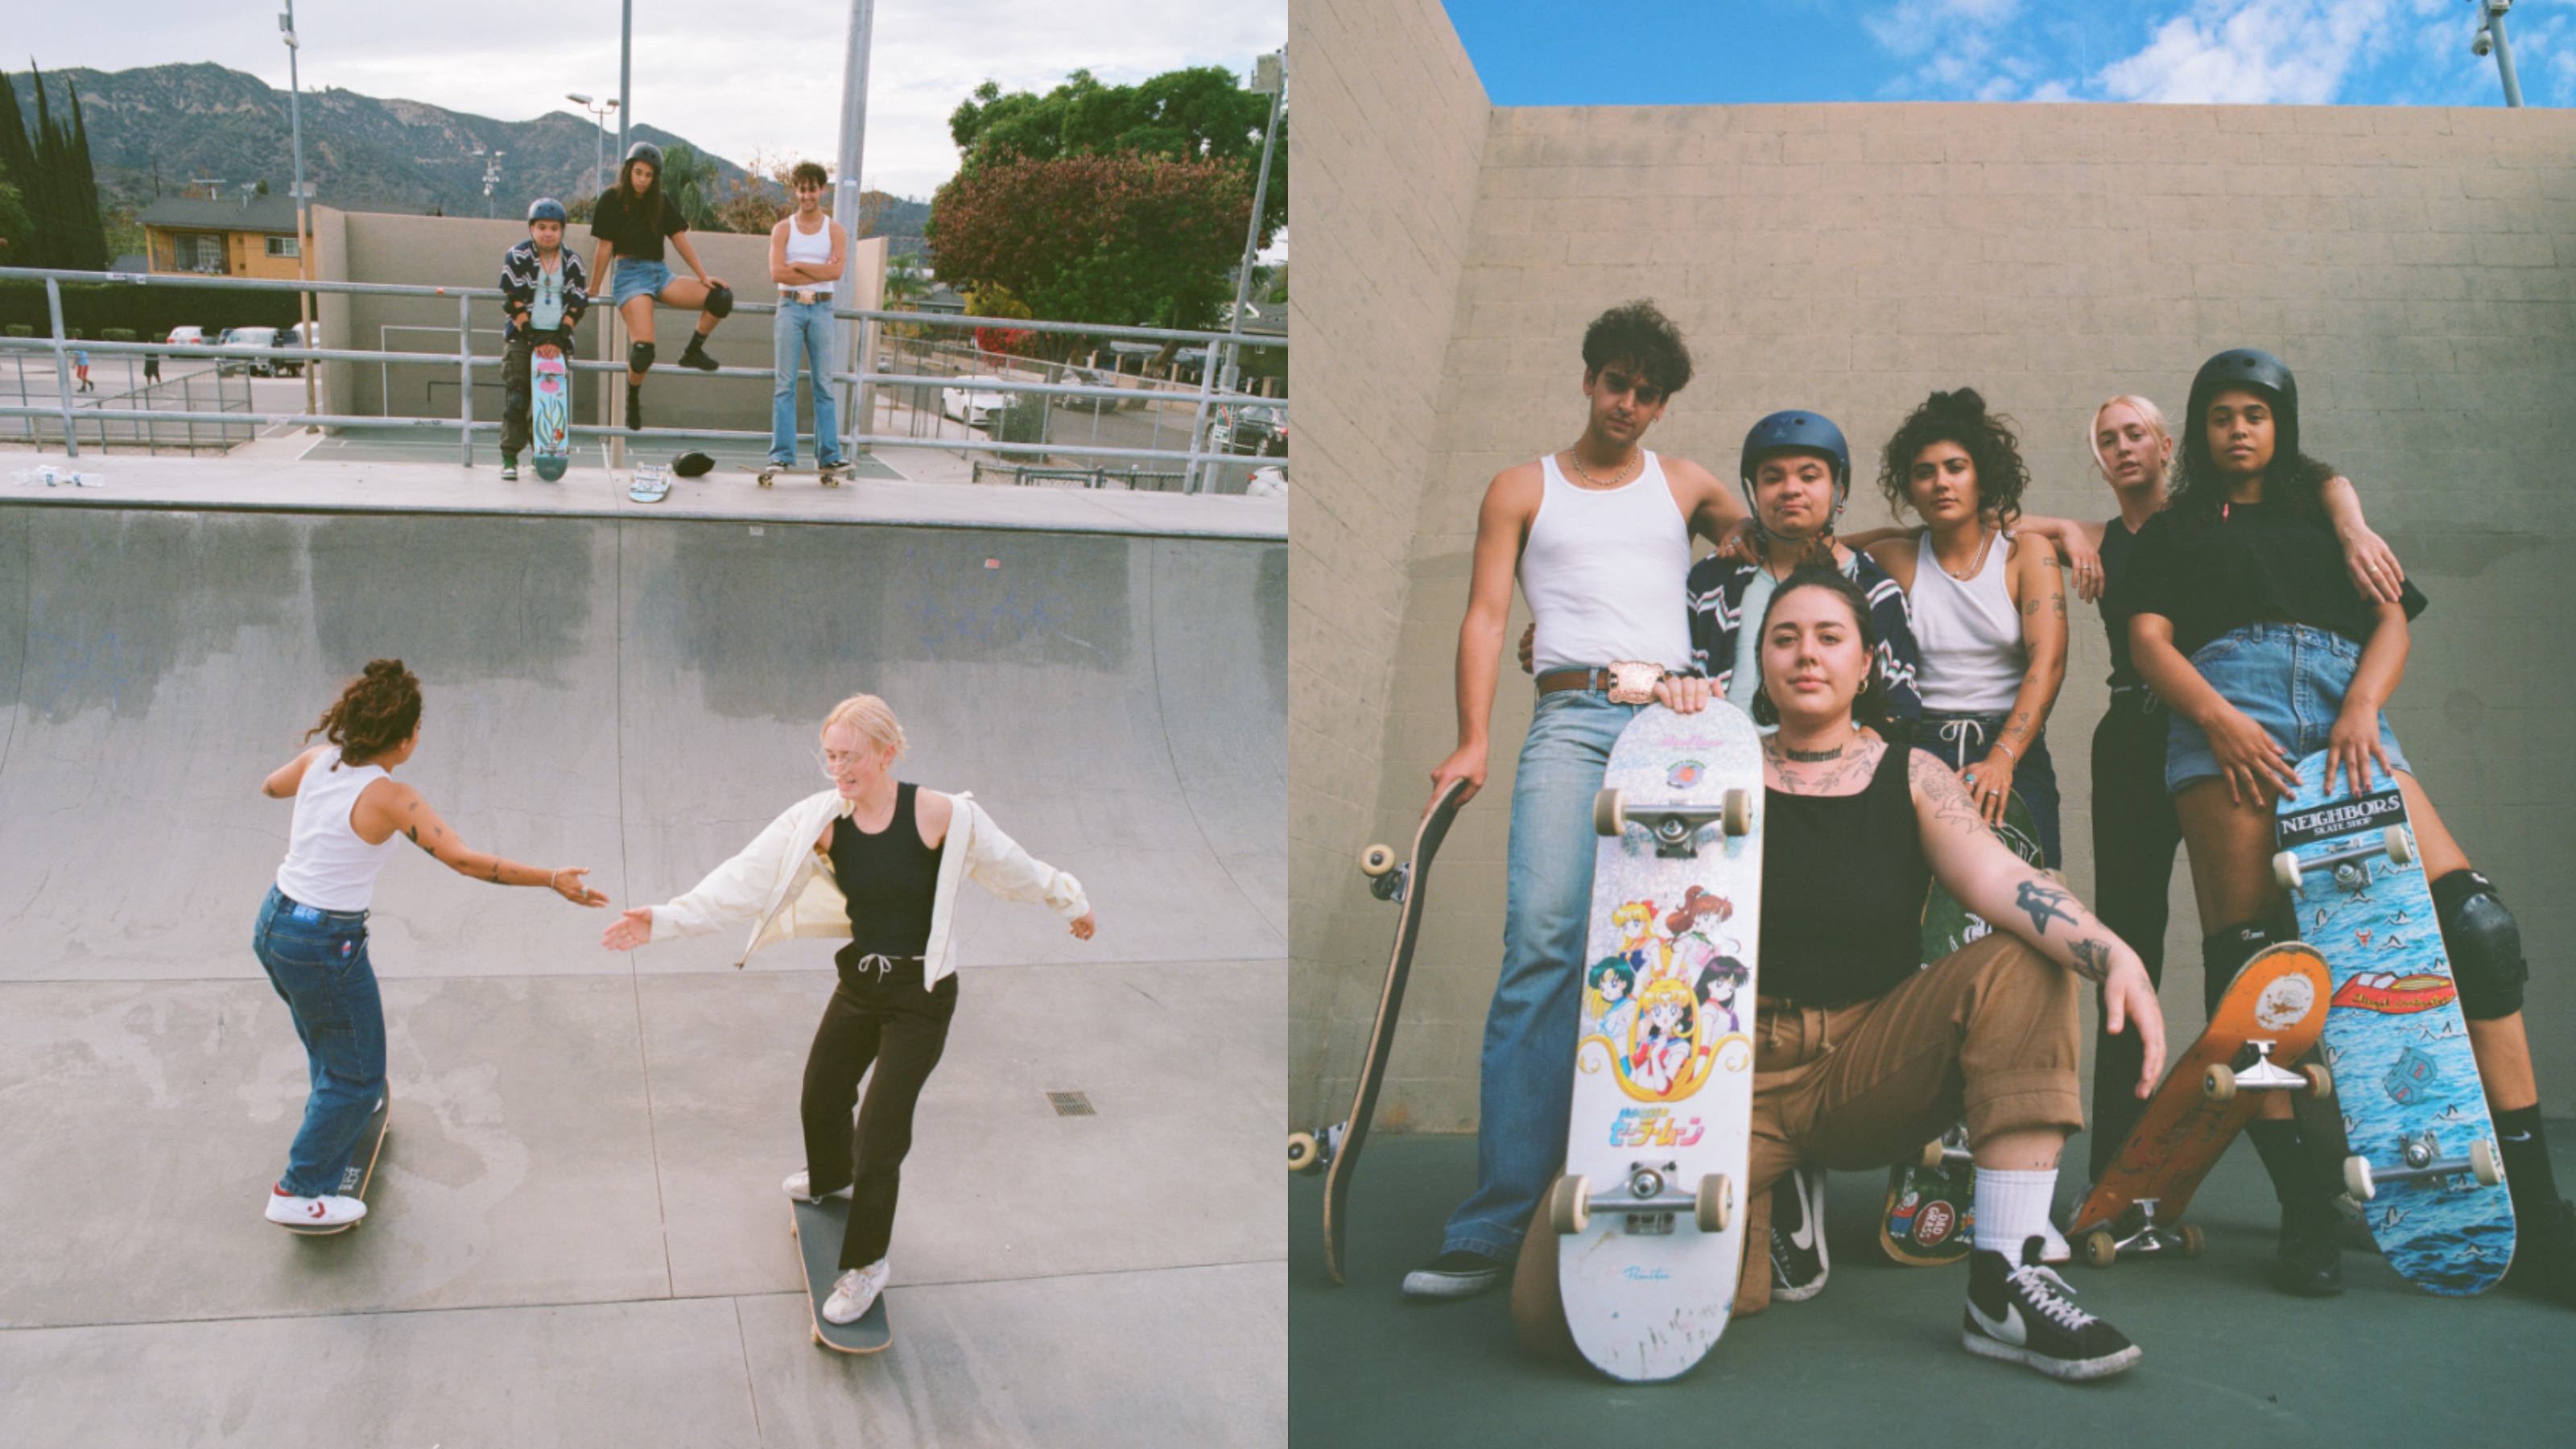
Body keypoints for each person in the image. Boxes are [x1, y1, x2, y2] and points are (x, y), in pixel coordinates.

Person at [1515, 569, 2165, 1381]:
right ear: (1760, 662)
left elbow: (1999, 880)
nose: (1805, 654)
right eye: (1783, 638)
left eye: (1829, 637)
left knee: (2020, 959)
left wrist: (2114, 953)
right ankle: (1774, 1196)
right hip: (1726, 1073)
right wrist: (1675, 730)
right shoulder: (1714, 773)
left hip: (1866, 1060)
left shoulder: (1914, 773)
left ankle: (2007, 1277)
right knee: (1555, 1317)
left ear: (1865, 666)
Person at [2117, 348, 2574, 1303]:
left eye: (2256, 412)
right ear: (2196, 433)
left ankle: (2536, 1214)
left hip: (2342, 706)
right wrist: (2213, 717)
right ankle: (2301, 1209)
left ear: (2281, 424)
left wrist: (2363, 704)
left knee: (2479, 934)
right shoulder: (2171, 529)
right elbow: (2146, 640)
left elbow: (2390, 623)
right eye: (2219, 414)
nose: (2237, 427)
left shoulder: (2325, 517)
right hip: (2225, 706)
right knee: (2254, 978)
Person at [1406, 300, 1751, 1300]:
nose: (1629, 405)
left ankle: (1648, 1182)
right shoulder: (1521, 486)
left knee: (1665, 950)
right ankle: (1494, 1219)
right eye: (1617, 382)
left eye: (1649, 393)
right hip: (1567, 719)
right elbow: (1484, 615)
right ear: (1589, 376)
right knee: (1544, 940)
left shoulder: (1683, 483)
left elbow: (1775, 552)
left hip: (1669, 730)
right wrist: (1472, 737)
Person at [600, 694, 1098, 1327]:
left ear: (887, 753)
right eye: (830, 756)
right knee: (821, 1092)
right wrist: (665, 920)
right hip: (862, 983)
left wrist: (1069, 901)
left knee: (881, 1137)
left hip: (920, 1001)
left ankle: (867, 1265)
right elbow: (743, 879)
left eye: (851, 757)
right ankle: (830, 1178)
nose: (839, 769)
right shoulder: (821, 819)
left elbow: (1012, 869)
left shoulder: (942, 815)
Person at [2065, 394, 2404, 1187]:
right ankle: (2119, 1166)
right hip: (2142, 731)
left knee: (2291, 938)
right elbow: (1998, 524)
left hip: (2231, 721)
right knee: (2133, 944)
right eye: (2105, 440)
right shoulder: (2094, 537)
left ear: (2166, 442)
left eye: (2135, 434)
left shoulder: (2223, 517)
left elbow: (2314, 481)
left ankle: (2330, 1162)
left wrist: (2349, 518)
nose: (2122, 448)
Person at [254, 661, 607, 1230]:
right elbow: (465, 861)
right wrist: (550, 878)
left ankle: (342, 1102)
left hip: (274, 922)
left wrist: (306, 781)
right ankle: (298, 1192)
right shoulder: (392, 797)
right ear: (405, 737)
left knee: (324, 1028)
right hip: (323, 942)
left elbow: (270, 786)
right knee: (359, 1074)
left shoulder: (318, 761)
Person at [1853, 390, 2067, 869]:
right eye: (1924, 473)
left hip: (2012, 745)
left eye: (1956, 468)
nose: (1940, 483)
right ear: (1910, 488)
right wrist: (1744, 530)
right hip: (1919, 744)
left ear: (1982, 478)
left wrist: (2003, 757)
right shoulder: (1897, 559)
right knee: (1918, 910)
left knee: (2033, 903)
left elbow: (2048, 663)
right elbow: (1820, 546)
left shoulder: (2025, 554)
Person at [587, 141, 731, 433]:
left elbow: (679, 239)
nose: (642, 180)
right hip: (630, 276)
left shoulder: (661, 201)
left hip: (660, 274)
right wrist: (592, 289)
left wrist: (703, 276)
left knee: (721, 298)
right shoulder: (611, 200)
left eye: (649, 175)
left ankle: (692, 352)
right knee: (643, 351)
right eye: (638, 173)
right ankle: (633, 398)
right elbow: (604, 248)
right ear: (628, 171)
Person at [497, 197, 591, 481]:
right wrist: (533, 338)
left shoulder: (572, 261)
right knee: (518, 398)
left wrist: (560, 338)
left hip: (557, 338)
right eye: (541, 227)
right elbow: (512, 302)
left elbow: (577, 303)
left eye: (554, 227)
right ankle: (510, 456)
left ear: (562, 230)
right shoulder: (518, 255)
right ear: (531, 228)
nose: (548, 233)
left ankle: (543, 453)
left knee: (549, 403)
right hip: (523, 336)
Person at [767, 160, 850, 474]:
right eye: (801, 189)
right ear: (796, 191)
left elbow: (836, 272)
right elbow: (777, 272)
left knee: (824, 384)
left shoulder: (835, 230)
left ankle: (829, 455)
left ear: (822, 190)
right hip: (789, 307)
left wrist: (797, 265)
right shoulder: (783, 229)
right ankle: (781, 455)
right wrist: (817, 269)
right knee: (784, 384)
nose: (807, 196)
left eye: (812, 189)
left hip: (822, 309)